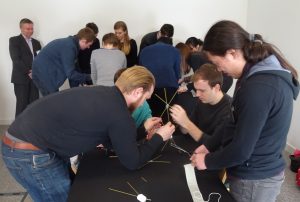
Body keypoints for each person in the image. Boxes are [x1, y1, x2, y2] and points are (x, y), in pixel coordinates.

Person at [1, 66, 175, 202]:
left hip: (21, 145)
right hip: (30, 153)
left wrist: (143, 129)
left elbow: (114, 141)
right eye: (145, 97)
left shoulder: (106, 95)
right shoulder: (119, 112)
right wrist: (160, 136)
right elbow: (132, 161)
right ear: (137, 92)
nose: (144, 102)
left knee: (70, 191)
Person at [190, 20, 299, 202]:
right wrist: (210, 145)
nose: (219, 70)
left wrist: (207, 161)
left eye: (217, 63)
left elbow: (241, 150)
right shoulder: (251, 74)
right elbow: (233, 120)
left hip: (255, 178)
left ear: (232, 53)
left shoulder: (259, 87)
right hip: (254, 170)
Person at [170, 63, 232, 145]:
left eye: (202, 90)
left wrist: (186, 123)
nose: (197, 94)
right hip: (194, 145)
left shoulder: (229, 110)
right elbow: (185, 131)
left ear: (216, 88)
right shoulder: (202, 101)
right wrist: (180, 121)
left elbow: (215, 145)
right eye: (196, 90)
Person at [32, 27, 95, 96]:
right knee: (51, 102)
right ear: (83, 40)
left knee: (53, 100)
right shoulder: (69, 47)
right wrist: (90, 76)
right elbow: (71, 74)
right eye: (88, 45)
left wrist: (82, 82)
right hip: (43, 75)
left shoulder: (72, 44)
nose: (88, 47)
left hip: (44, 73)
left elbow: (75, 68)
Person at [139, 37, 180, 123]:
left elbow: (141, 71)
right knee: (167, 118)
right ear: (170, 44)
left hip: (149, 88)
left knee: (151, 115)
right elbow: (177, 74)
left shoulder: (144, 50)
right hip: (169, 89)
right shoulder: (174, 50)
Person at [9, 18, 41, 117]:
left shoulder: (36, 42)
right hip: (21, 79)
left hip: (34, 78)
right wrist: (29, 71)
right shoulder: (14, 40)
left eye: (32, 28)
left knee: (34, 104)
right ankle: (17, 131)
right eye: (28, 29)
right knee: (22, 105)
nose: (30, 31)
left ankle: (31, 128)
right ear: (21, 28)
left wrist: (36, 72)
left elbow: (40, 60)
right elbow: (16, 59)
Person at [69, 22, 101, 87]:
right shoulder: (76, 42)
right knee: (75, 91)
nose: (94, 39)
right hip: (77, 70)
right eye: (93, 36)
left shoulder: (96, 41)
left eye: (96, 36)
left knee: (91, 90)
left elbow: (97, 56)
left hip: (89, 69)